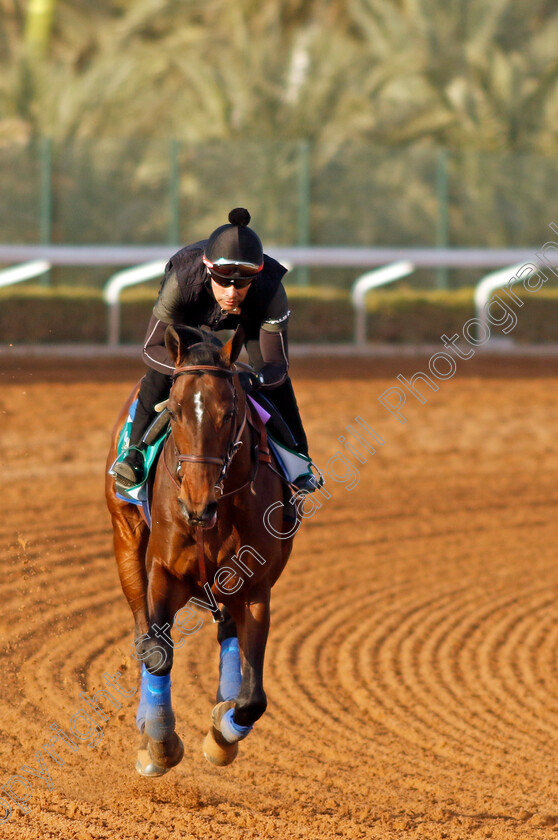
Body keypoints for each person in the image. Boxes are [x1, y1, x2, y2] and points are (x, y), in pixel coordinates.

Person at [113, 207, 319, 492]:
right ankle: (135, 454)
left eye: (243, 281)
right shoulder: (183, 282)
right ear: (209, 270)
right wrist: (192, 369)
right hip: (190, 319)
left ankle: (299, 459)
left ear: (256, 277)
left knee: (276, 386)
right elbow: (152, 347)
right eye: (223, 280)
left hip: (251, 320)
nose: (232, 292)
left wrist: (255, 379)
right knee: (159, 375)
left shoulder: (270, 291)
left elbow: (276, 364)